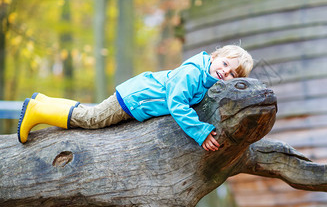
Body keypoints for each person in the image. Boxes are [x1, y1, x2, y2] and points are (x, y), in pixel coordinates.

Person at [17, 45, 253, 151]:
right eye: (224, 64)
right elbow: (177, 103)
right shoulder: (193, 73)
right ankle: (36, 111)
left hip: (137, 94)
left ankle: (45, 101)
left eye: (232, 73)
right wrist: (200, 132)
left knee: (94, 111)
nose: (225, 72)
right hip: (134, 98)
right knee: (93, 118)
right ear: (215, 57)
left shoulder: (204, 77)